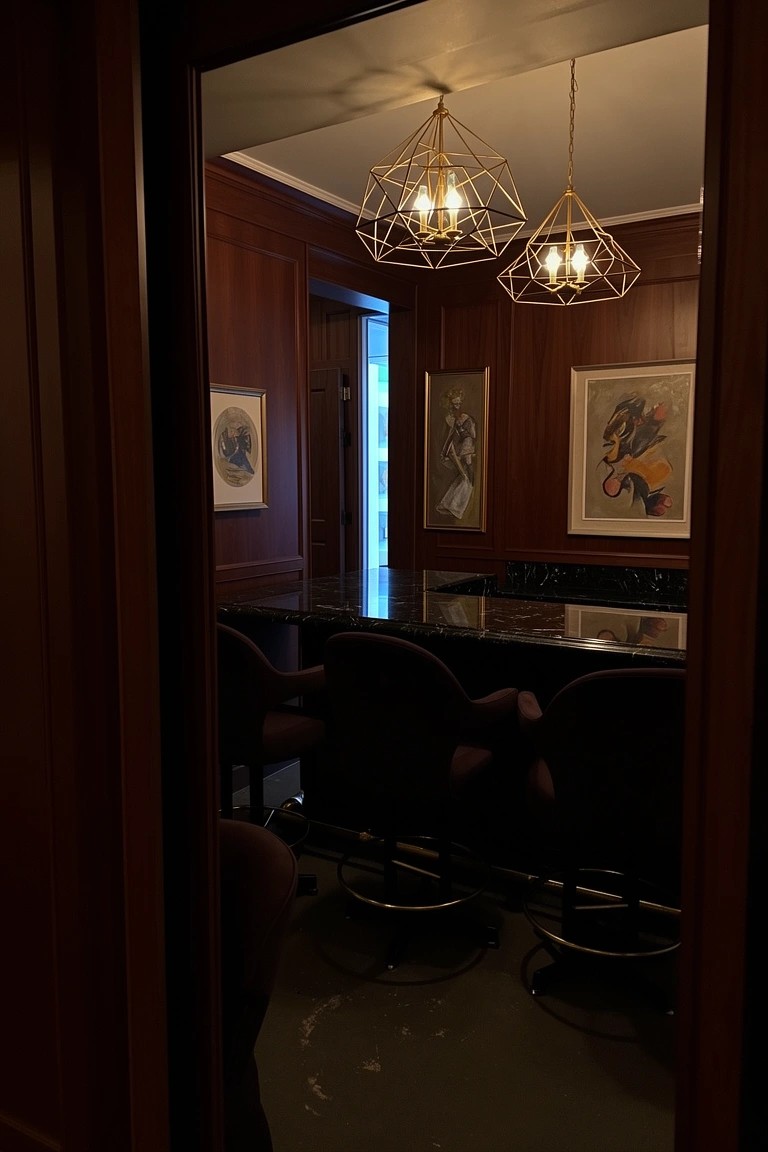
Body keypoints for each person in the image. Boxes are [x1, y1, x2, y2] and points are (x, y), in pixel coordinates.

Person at [435, 387, 477, 520]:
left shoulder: (465, 418)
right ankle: (453, 506)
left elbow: (472, 436)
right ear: (450, 404)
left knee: (468, 477)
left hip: (464, 453)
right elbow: (449, 449)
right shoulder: (448, 421)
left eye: (459, 403)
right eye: (455, 404)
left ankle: (452, 506)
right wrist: (460, 467)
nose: (457, 407)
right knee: (466, 477)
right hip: (452, 457)